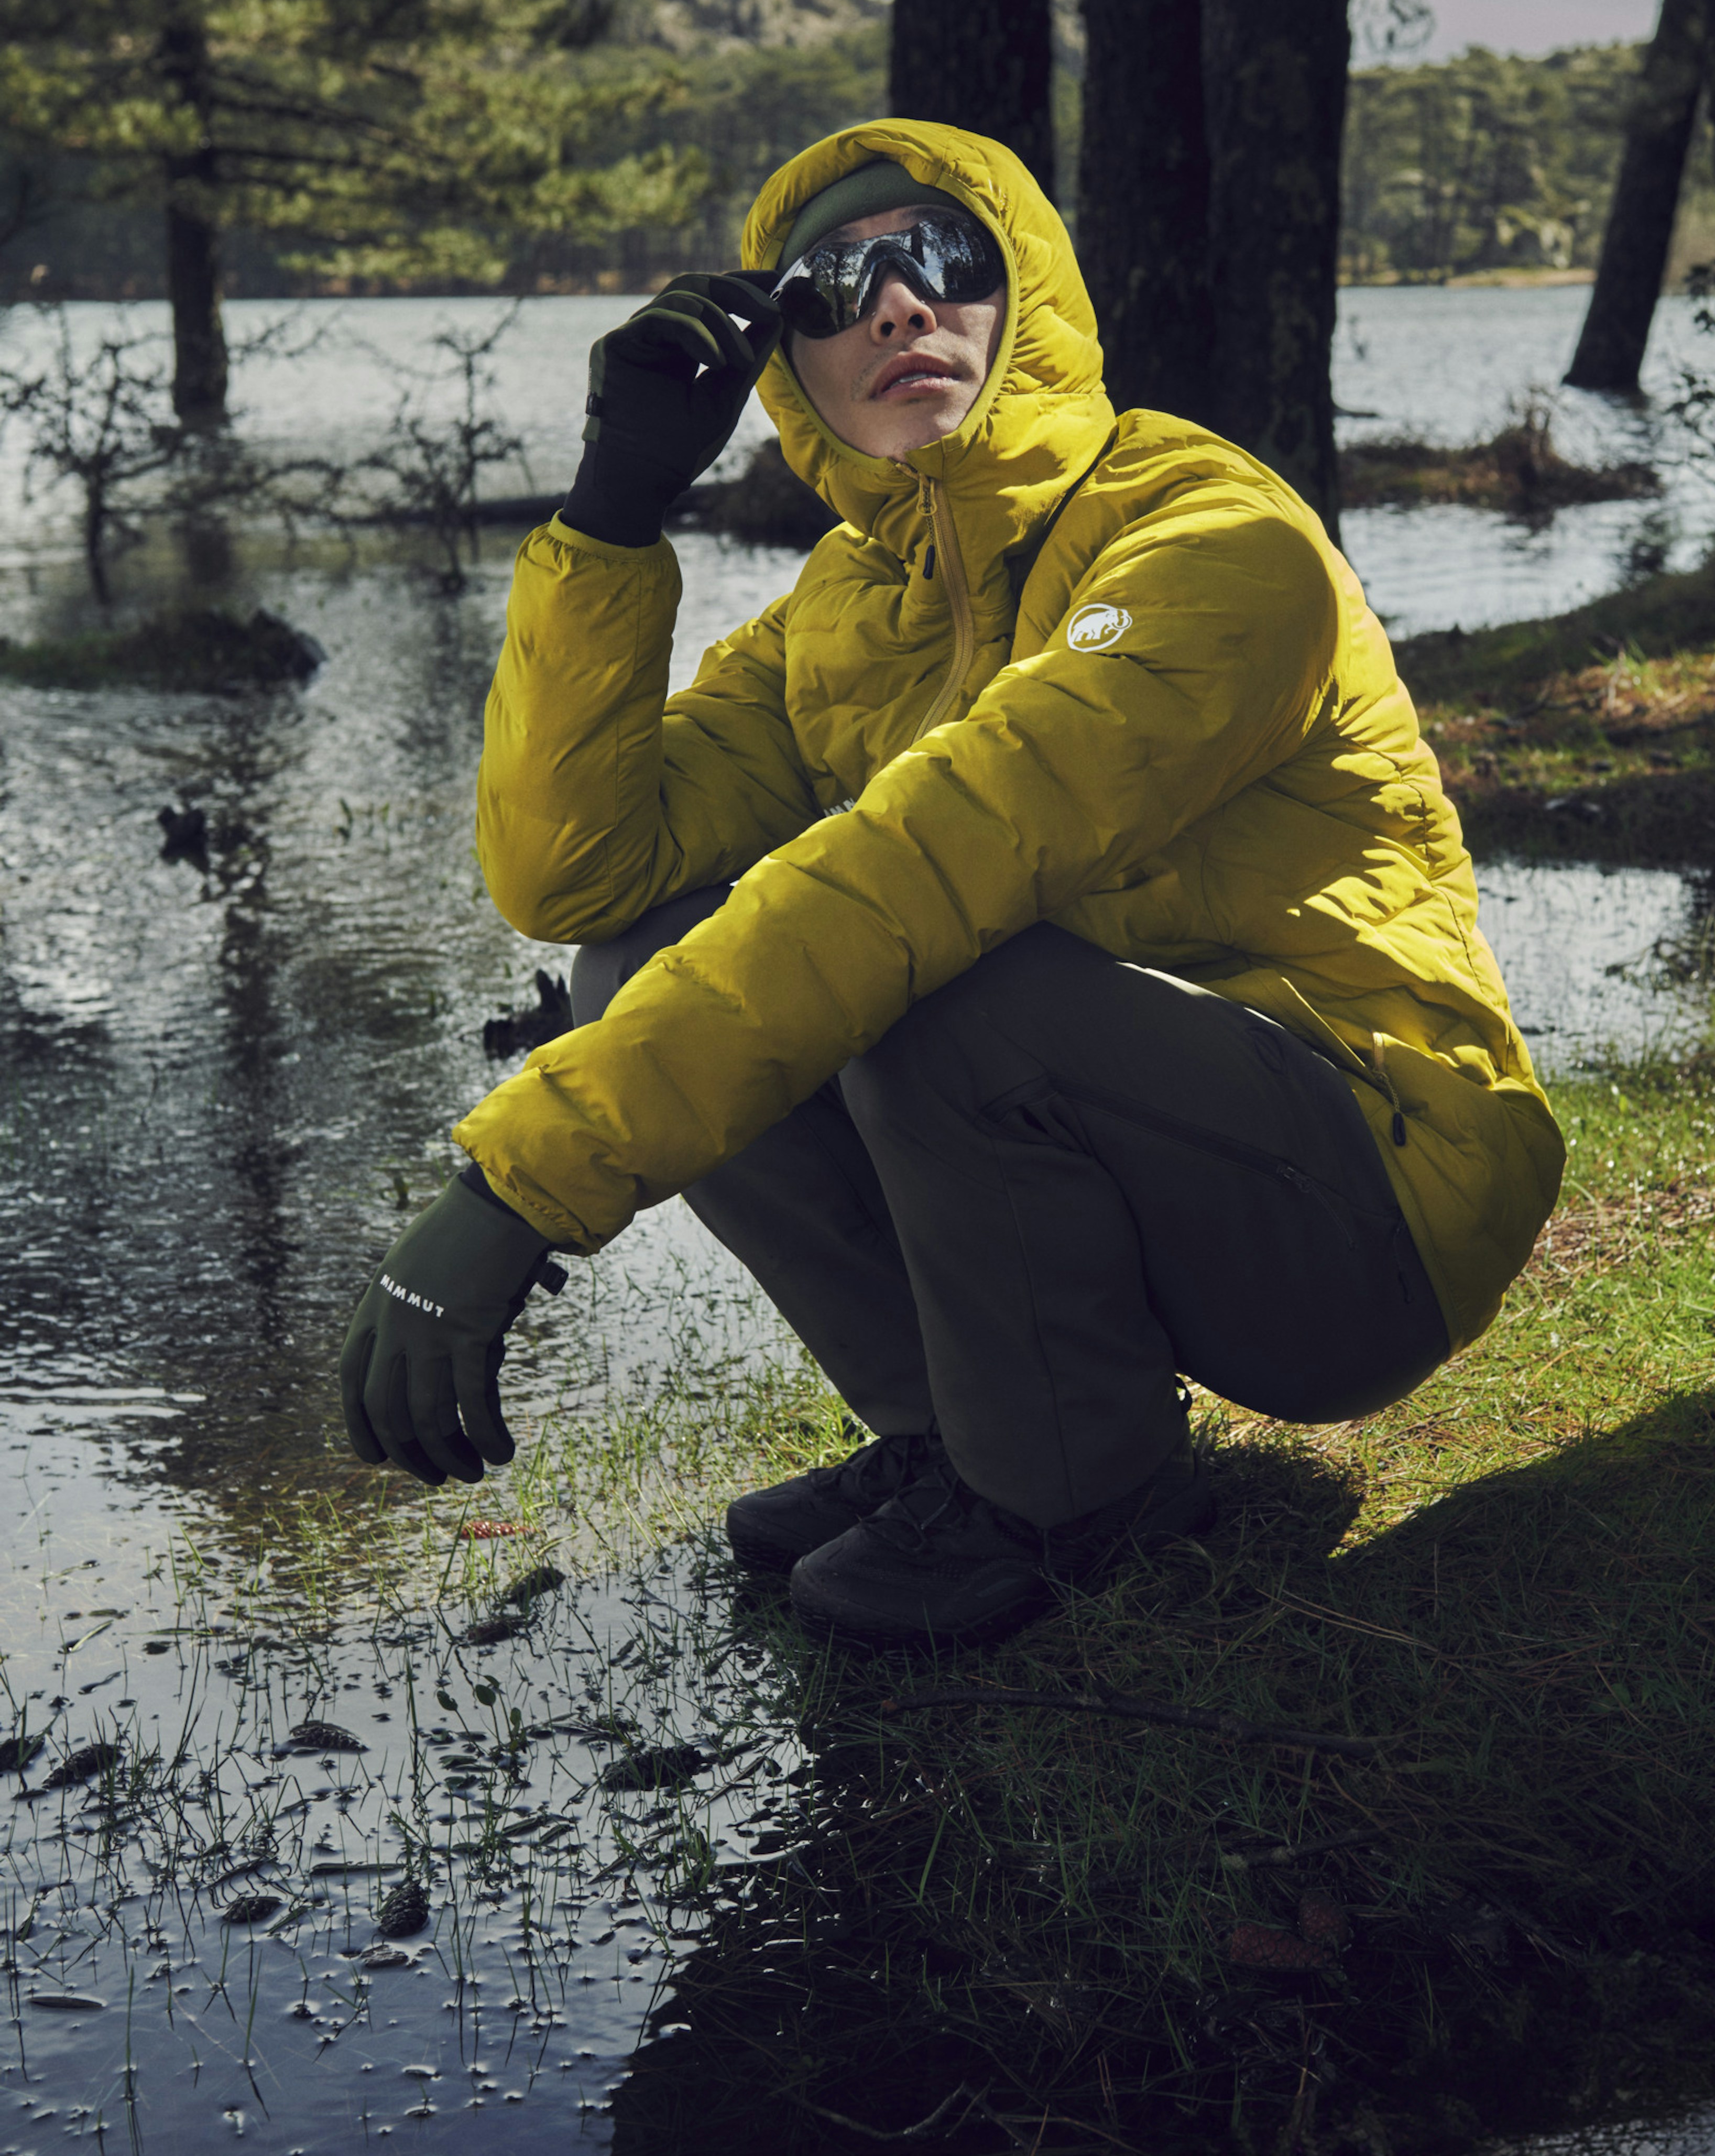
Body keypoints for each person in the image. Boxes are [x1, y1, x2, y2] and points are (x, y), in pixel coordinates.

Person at [338, 122, 1564, 1644]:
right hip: (1161, 1146)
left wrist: (520, 1181)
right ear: (788, 362)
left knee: (940, 976)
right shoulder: (844, 607)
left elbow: (925, 870)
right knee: (635, 963)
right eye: (835, 286)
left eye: (940, 259)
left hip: (1371, 1209)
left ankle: (1078, 1492)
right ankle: (956, 1439)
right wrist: (613, 512)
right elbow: (578, 873)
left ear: (1023, 289)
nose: (898, 308)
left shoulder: (1215, 539)